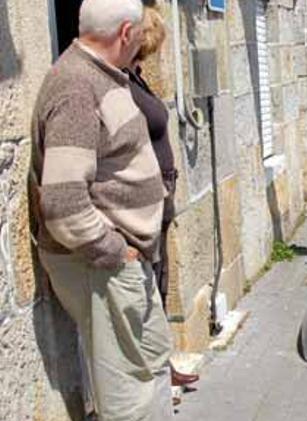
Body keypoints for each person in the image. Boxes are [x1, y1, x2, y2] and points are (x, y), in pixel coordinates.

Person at [31, 1, 213, 421]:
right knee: (125, 382)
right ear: (127, 31)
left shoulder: (103, 74)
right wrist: (115, 251)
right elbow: (65, 203)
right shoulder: (75, 86)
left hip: (128, 255)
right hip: (104, 263)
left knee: (150, 359)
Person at [124, 6, 200, 393]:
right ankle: (153, 374)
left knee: (160, 279)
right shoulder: (121, 82)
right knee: (148, 284)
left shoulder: (136, 78)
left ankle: (162, 364)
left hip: (159, 198)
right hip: (142, 204)